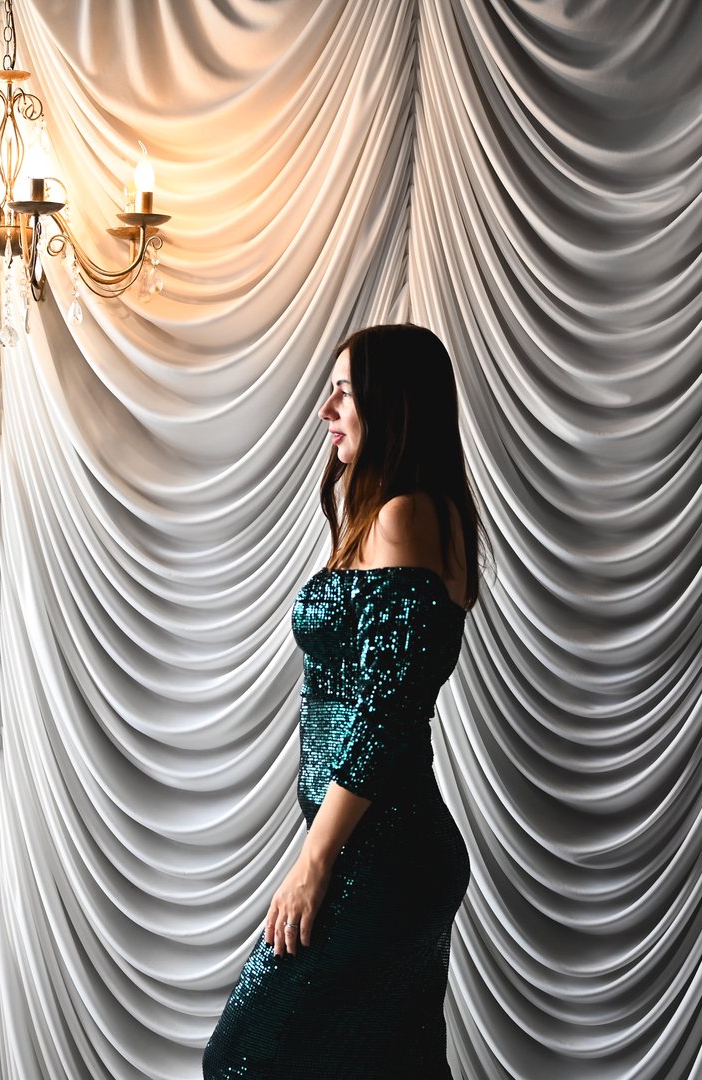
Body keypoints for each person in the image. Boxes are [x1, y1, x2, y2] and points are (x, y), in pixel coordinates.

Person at [203, 323, 482, 1078]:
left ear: (392, 405)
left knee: (243, 1063)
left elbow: (388, 714)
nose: (326, 407)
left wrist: (314, 860)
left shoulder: (405, 517)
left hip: (379, 858)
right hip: (389, 853)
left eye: (345, 391)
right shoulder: (399, 514)